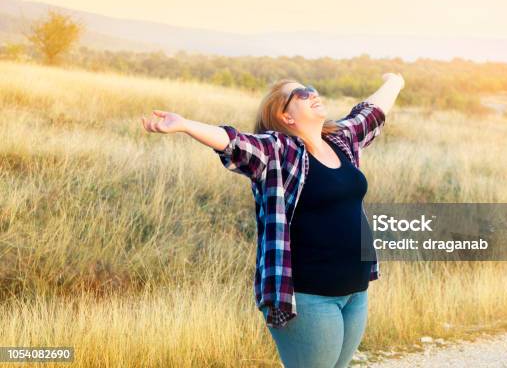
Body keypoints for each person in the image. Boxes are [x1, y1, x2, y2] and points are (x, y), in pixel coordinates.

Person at [141, 72, 404, 367]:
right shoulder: (279, 151)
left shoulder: (340, 141)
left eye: (312, 88)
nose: (312, 93)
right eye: (302, 93)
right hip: (310, 299)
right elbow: (234, 143)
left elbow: (370, 114)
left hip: (356, 293)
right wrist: (185, 125)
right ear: (285, 116)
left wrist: (395, 81)